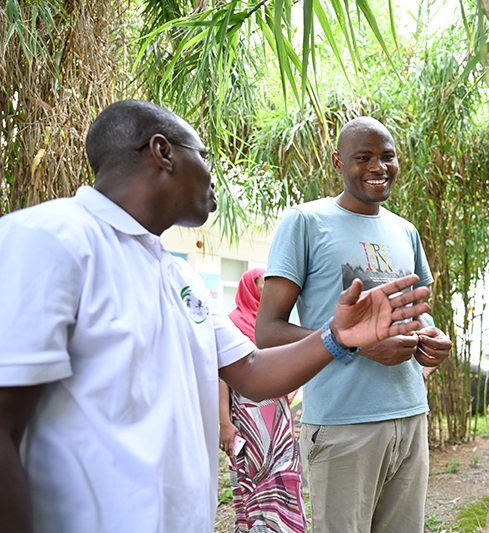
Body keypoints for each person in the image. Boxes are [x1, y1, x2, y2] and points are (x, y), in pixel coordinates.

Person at [0, 100, 431, 533]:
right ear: (163, 152)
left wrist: (338, 337)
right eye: (203, 156)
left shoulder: (176, 275)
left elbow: (252, 370)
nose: (212, 175)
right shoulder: (51, 239)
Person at [255, 116, 453, 533]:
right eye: (363, 157)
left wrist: (432, 338)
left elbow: (417, 312)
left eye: (387, 156)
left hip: (411, 416)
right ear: (338, 162)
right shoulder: (306, 222)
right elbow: (268, 332)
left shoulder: (405, 231)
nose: (378, 167)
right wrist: (358, 345)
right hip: (343, 423)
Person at [219, 268, 305, 532]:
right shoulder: (232, 323)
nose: (269, 288)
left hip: (278, 413)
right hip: (248, 414)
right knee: (254, 474)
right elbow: (221, 378)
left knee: (284, 472)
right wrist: (225, 423)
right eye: (263, 283)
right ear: (249, 286)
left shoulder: (272, 327)